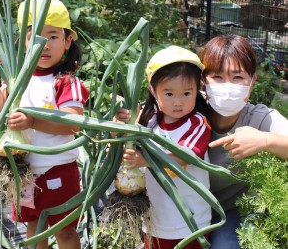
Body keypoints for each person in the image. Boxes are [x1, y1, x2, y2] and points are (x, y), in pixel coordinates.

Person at [0, 0, 89, 249]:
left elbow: (72, 123)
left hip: (58, 172)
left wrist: (32, 122)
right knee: (33, 229)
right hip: (26, 174)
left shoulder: (65, 81)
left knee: (64, 232)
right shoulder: (20, 78)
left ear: (67, 41)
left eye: (53, 36)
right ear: (22, 42)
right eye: (35, 36)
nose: (44, 45)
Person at [198, 34, 288, 249]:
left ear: (252, 81)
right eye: (217, 77)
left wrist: (265, 140)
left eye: (238, 77)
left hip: (230, 212)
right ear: (203, 81)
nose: (228, 86)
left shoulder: (260, 118)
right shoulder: (186, 108)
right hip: (184, 206)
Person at [121, 45, 211, 249]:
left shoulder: (197, 123)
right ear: (153, 91)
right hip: (155, 218)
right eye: (169, 94)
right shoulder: (150, 120)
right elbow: (129, 142)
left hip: (190, 221)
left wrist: (144, 160)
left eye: (187, 93)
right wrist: (124, 125)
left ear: (197, 90)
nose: (178, 102)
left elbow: (185, 157)